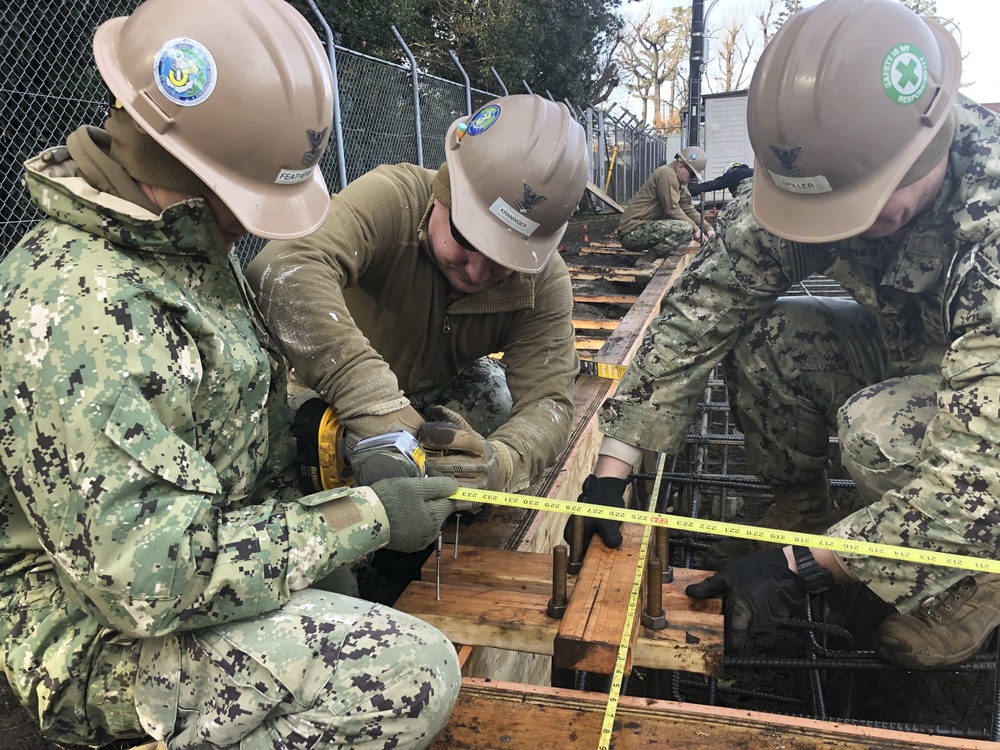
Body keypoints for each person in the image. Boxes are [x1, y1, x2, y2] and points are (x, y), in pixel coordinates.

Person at [0, 1, 462, 747]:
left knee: (344, 595)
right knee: (409, 671)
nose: (250, 225)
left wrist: (324, 451)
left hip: (170, 575)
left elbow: (211, 429)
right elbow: (149, 580)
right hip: (90, 639)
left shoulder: (175, 247)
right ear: (171, 162)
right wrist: (363, 518)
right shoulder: (82, 313)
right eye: (240, 199)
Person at [570, 0, 1000, 669]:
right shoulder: (829, 168)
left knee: (875, 429)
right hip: (917, 349)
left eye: (855, 210)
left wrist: (806, 568)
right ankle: (802, 510)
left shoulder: (992, 226)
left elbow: (979, 464)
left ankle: (979, 579)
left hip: (987, 423)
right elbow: (705, 305)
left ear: (924, 155)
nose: (836, 228)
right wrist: (613, 466)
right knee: (772, 333)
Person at [246, 94, 589, 496]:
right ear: (444, 191)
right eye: (466, 237)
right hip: (320, 393)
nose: (478, 271)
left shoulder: (543, 281)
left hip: (428, 402)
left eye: (505, 259)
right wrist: (372, 401)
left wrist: (503, 463)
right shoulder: (394, 199)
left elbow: (549, 401)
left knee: (495, 399)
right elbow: (281, 267)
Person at [615, 146, 716, 264]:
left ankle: (655, 255)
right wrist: (695, 229)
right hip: (631, 234)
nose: (691, 180)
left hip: (642, 230)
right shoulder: (666, 174)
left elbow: (689, 210)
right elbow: (672, 209)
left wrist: (707, 228)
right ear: (681, 166)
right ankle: (646, 260)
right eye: (692, 175)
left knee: (686, 227)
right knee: (684, 228)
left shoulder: (679, 184)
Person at [688, 161, 755, 199]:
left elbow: (710, 185)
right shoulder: (754, 171)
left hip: (747, 194)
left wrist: (688, 192)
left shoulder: (731, 174)